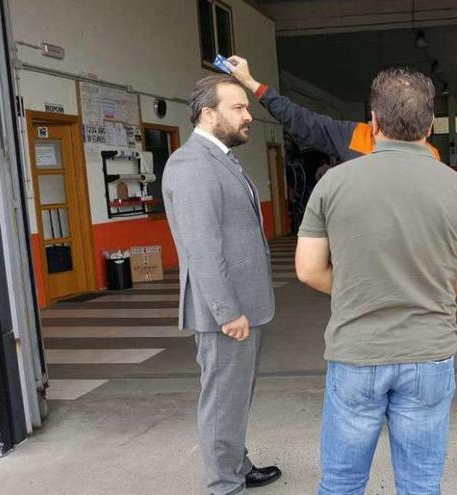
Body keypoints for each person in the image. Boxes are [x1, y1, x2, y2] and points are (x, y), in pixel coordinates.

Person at [294, 67, 457, 495]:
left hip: (356, 353)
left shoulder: (333, 183)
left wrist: (362, 288)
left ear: (374, 121)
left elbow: (309, 270)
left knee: (342, 483)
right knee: (421, 485)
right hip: (428, 354)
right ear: (429, 125)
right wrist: (427, 287)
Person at [162, 75, 281, 495]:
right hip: (224, 313)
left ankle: (236, 464)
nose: (249, 115)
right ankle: (224, 485)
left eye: (247, 107)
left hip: (240, 305)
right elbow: (202, 250)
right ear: (208, 113)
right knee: (221, 401)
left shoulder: (221, 158)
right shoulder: (192, 164)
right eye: (238, 108)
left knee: (234, 397)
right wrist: (227, 312)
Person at [225, 55, 442, 161]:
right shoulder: (434, 161)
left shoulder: (356, 136)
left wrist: (250, 82)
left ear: (374, 121)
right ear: (428, 126)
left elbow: (299, 120)